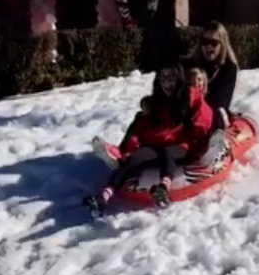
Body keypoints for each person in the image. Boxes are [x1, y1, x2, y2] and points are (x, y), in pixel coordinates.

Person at [84, 63, 213, 217]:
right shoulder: (156, 101)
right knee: (134, 160)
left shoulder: (190, 96)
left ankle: (163, 189)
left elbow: (204, 119)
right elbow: (142, 127)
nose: (166, 83)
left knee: (167, 154)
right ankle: (103, 198)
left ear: (179, 78)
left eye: (171, 78)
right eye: (163, 79)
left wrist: (197, 143)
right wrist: (132, 148)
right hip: (155, 143)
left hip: (180, 143)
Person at [190, 22, 239, 127]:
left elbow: (221, 102)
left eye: (213, 43)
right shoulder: (190, 64)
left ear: (222, 45)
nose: (208, 46)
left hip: (212, 116)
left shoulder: (228, 68)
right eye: (204, 42)